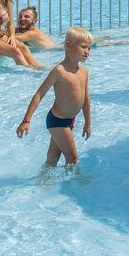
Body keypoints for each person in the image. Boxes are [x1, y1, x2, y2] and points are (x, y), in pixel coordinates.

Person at [16, 26, 93, 166]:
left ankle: (43, 181)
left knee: (53, 157)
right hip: (58, 121)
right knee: (72, 158)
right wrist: (26, 121)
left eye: (89, 48)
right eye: (83, 47)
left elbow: (85, 99)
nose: (87, 52)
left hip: (70, 120)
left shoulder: (84, 72)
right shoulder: (59, 71)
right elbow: (39, 94)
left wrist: (88, 123)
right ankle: (71, 184)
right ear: (68, 44)